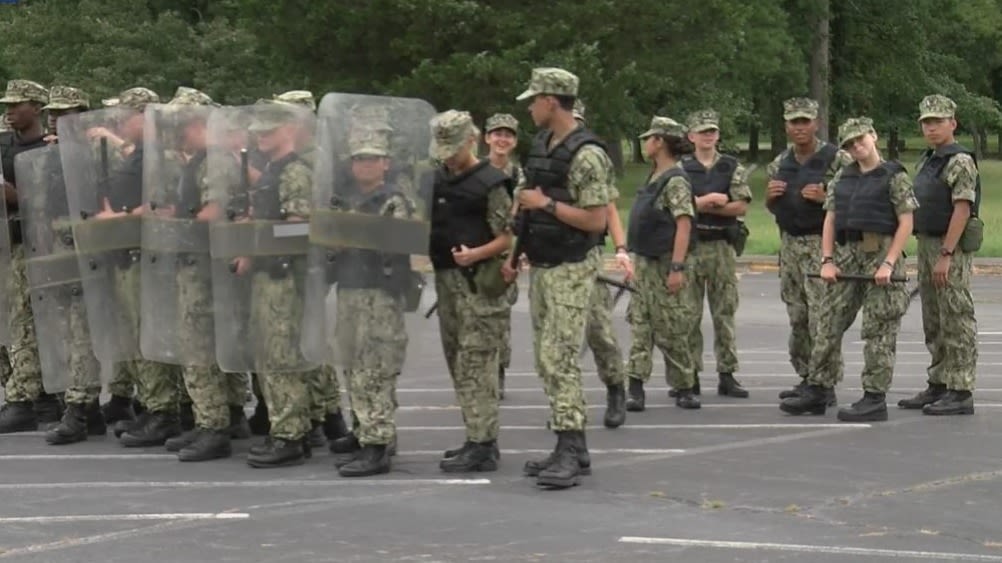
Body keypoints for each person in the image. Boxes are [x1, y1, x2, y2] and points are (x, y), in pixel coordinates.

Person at [503, 67, 611, 489]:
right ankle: (572, 446)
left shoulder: (588, 155)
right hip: (543, 265)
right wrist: (515, 254)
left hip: (571, 266)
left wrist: (545, 204)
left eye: (534, 100)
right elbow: (525, 206)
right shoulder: (542, 146)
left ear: (552, 101)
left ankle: (569, 446)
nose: (530, 107)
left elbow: (595, 220)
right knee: (546, 359)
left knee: (559, 357)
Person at [780, 117, 914, 421]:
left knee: (879, 328)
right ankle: (819, 388)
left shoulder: (894, 176)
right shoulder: (843, 177)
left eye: (861, 139)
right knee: (827, 321)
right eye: (850, 143)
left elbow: (906, 221)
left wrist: (889, 262)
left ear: (874, 136)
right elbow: (830, 218)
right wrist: (827, 260)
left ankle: (874, 397)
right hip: (846, 253)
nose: (857, 146)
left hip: (880, 251)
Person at [430, 110, 513, 472]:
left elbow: (509, 235)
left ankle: (483, 443)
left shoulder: (491, 183)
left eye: (454, 147)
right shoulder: (438, 179)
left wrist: (476, 254)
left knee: (477, 363)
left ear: (471, 140)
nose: (448, 156)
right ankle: (474, 434)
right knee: (456, 359)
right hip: (447, 281)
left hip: (478, 283)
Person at [765, 97, 852, 405]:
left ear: (816, 123)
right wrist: (770, 198)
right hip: (790, 244)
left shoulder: (837, 159)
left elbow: (859, 195)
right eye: (794, 122)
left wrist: (826, 195)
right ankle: (807, 376)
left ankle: (824, 382)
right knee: (798, 314)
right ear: (786, 125)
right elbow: (776, 209)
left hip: (821, 243)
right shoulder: (780, 163)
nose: (800, 127)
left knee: (822, 316)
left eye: (805, 121)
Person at [899, 95, 979, 416]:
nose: (931, 127)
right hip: (927, 242)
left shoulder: (959, 161)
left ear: (952, 124)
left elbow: (962, 208)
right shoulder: (931, 159)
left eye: (938, 121)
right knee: (933, 316)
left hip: (950, 246)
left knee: (956, 317)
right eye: (926, 122)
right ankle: (940, 381)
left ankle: (960, 390)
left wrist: (947, 253)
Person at [625, 117, 701, 411]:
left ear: (659, 141)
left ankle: (684, 385)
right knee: (640, 324)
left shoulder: (675, 179)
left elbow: (684, 224)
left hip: (666, 262)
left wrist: (677, 268)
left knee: (671, 325)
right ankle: (635, 385)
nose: (646, 144)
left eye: (649, 138)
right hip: (645, 262)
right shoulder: (655, 175)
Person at [0, 79, 61, 433]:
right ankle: (36, 394)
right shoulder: (5, 145)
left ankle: (24, 398)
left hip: (34, 244)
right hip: (5, 243)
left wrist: (15, 196)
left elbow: (54, 200)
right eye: (7, 105)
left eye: (17, 105)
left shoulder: (49, 149)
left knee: (25, 322)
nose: (9, 111)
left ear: (36, 108)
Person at [682, 109, 751, 399]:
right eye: (702, 131)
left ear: (718, 135)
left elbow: (741, 206)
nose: (708, 135)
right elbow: (674, 203)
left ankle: (727, 373)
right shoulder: (682, 167)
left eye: (712, 130)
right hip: (692, 246)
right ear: (691, 136)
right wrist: (706, 201)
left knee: (724, 313)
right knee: (688, 314)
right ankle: (689, 375)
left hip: (722, 245)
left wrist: (710, 207)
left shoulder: (730, 167)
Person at [570, 99, 628, 427]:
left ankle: (615, 388)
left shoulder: (591, 160)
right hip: (554, 259)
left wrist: (621, 248)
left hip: (587, 255)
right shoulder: (545, 158)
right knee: (559, 340)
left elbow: (608, 208)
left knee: (600, 332)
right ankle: (566, 407)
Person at [482, 113, 522, 400]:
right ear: (486, 138)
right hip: (476, 254)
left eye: (508, 134)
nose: (502, 139)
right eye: (497, 133)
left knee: (500, 318)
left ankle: (498, 372)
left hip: (505, 256)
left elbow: (525, 216)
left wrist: (520, 253)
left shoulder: (519, 176)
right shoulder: (474, 171)